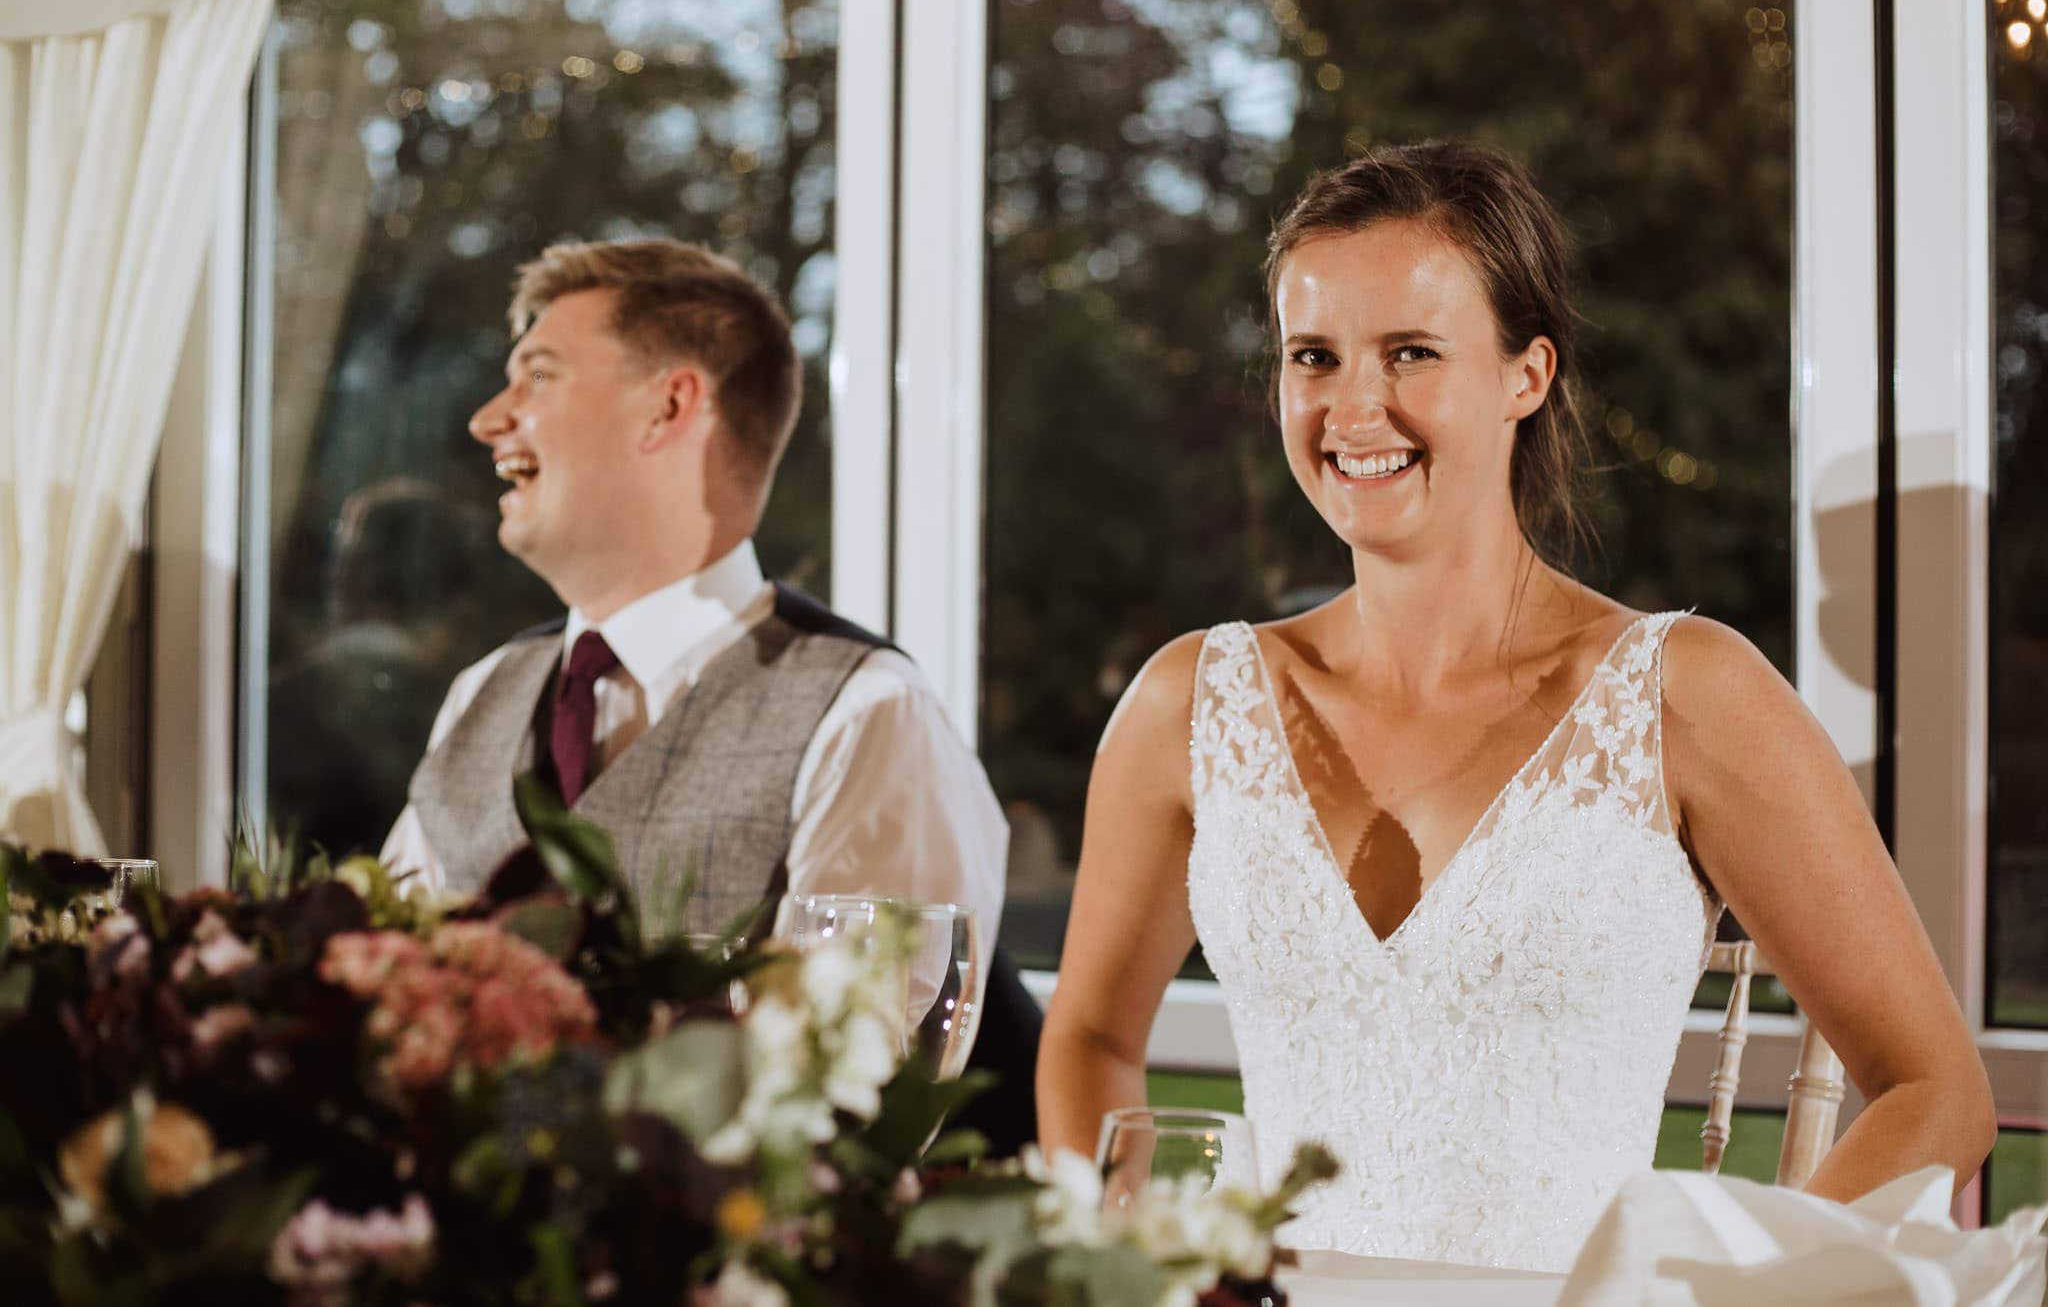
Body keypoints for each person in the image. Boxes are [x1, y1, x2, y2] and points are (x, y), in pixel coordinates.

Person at [1035, 142, 1994, 1271]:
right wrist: (1140, 1263)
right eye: (1313, 356)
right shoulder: (1187, 702)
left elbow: (1936, 1091)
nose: (1352, 408)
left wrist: (1727, 1300)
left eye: (1409, 353)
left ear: (1524, 375)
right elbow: (1090, 1037)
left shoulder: (1682, 692)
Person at [380, 238, 1006, 950]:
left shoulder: (867, 717)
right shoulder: (481, 693)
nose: (488, 419)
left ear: (669, 406)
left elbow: (868, 1051)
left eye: (539, 376)